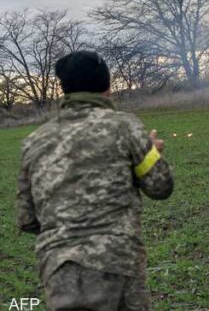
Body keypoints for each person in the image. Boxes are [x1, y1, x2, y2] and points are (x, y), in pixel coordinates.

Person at [16, 50, 174, 310]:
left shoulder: (34, 141)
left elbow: (26, 219)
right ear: (107, 87)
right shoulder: (124, 126)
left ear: (63, 89)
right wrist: (153, 154)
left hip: (58, 270)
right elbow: (160, 187)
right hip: (116, 262)